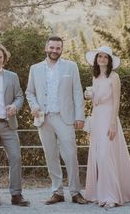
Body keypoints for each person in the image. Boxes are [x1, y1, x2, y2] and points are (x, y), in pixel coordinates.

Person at [26, 36, 88, 205]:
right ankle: (57, 192)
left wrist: (79, 116)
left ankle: (76, 192)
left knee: (71, 155)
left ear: (61, 49)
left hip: (64, 117)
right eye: (52, 47)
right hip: (43, 118)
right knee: (50, 155)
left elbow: (77, 92)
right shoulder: (35, 68)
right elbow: (29, 92)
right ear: (46, 48)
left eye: (58, 48)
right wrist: (34, 106)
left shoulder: (71, 67)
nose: (54, 51)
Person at [82, 46, 130, 208]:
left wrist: (113, 123)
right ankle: (97, 193)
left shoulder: (114, 77)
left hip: (109, 117)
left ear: (109, 60)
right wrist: (90, 96)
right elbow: (96, 100)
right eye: (99, 56)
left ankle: (111, 196)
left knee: (106, 155)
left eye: (105, 57)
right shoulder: (95, 77)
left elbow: (116, 101)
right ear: (96, 60)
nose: (101, 59)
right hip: (97, 117)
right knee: (98, 155)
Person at [0, 43, 30, 207]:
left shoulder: (12, 76)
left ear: (4, 59)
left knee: (16, 157)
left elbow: (19, 96)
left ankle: (16, 194)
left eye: (0, 57)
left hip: (9, 125)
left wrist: (15, 106)